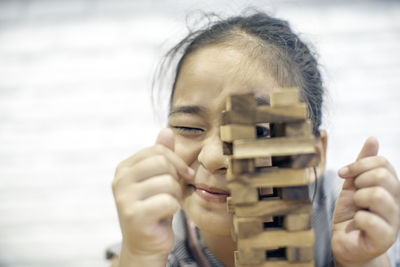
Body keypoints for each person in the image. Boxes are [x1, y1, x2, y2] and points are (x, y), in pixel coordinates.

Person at [110, 11, 400, 267]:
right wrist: (141, 256)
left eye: (257, 131)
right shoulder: (154, 238)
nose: (212, 158)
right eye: (189, 127)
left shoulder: (353, 213)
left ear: (312, 157)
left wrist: (363, 260)